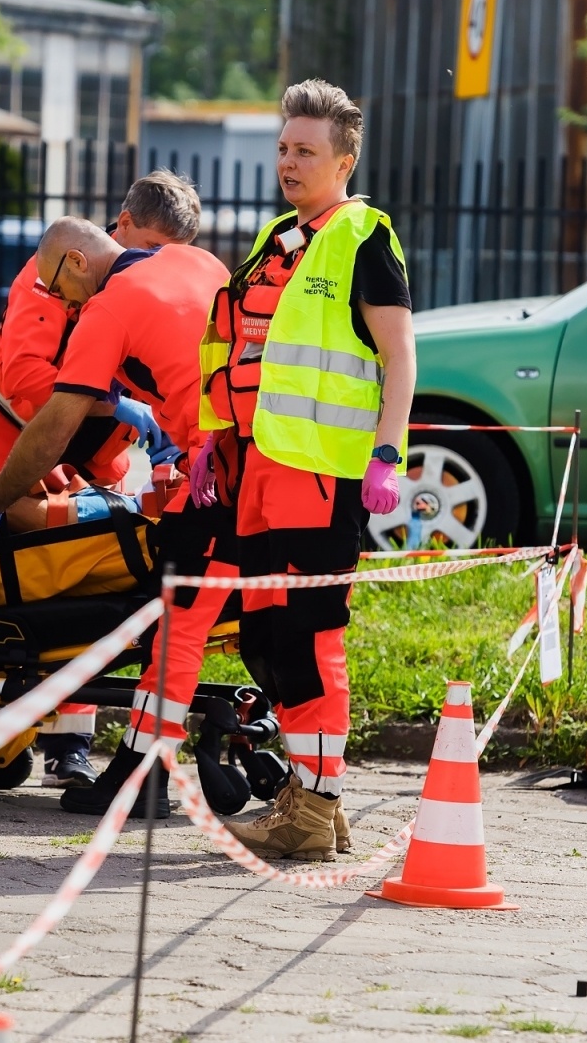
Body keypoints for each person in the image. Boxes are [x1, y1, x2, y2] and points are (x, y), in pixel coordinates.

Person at [199, 79, 415, 861]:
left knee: (310, 641)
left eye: (306, 152)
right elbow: (240, 348)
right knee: (263, 638)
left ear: (344, 160)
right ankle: (318, 795)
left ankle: (313, 808)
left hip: (322, 475)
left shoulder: (364, 238)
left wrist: (387, 453)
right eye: (284, 148)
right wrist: (212, 436)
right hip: (261, 467)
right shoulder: (277, 239)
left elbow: (399, 356)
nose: (289, 162)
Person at [0, 217, 230, 817]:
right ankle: (309, 790)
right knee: (272, 621)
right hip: (245, 462)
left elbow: (53, 424)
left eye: (58, 287)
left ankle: (139, 777)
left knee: (174, 625)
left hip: (210, 476)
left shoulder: (109, 306)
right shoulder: (200, 263)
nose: (59, 301)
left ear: (77, 262)